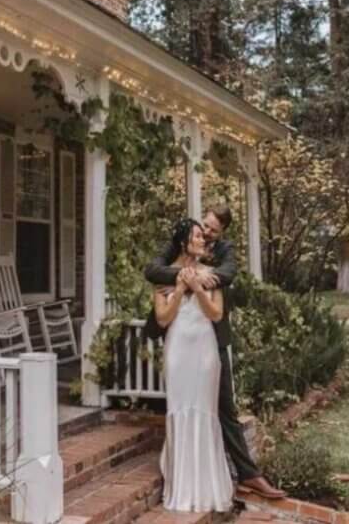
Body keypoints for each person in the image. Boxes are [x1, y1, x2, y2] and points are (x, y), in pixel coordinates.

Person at [145, 207, 287, 500]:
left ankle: (247, 475)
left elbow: (227, 275)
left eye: (211, 230)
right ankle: (184, 472)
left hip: (211, 341)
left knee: (223, 406)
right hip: (180, 344)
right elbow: (153, 271)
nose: (206, 234)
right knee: (184, 407)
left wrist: (198, 281)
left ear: (220, 233)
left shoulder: (224, 252)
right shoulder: (180, 241)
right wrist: (183, 277)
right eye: (203, 228)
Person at [154, 218, 233, 512]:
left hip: (204, 351)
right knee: (179, 410)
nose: (203, 241)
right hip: (177, 351)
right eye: (198, 236)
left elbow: (216, 314)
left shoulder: (211, 274)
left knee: (204, 411)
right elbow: (163, 319)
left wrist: (198, 289)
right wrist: (178, 287)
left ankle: (206, 486)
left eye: (204, 236)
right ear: (184, 241)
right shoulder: (164, 276)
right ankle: (181, 485)